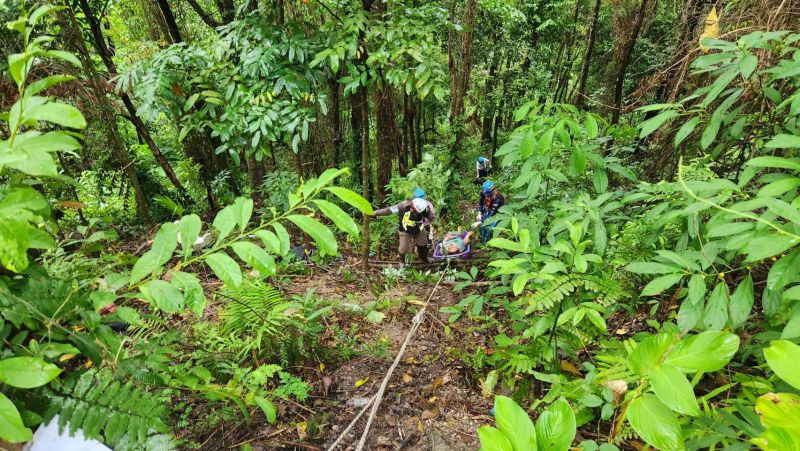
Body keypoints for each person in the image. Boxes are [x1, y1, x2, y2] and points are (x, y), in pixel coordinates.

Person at [371, 187, 436, 266]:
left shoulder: (426, 207)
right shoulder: (404, 205)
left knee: (423, 244)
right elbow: (389, 210)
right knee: (403, 248)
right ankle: (402, 261)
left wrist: (433, 226)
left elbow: (432, 218)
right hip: (405, 229)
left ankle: (424, 258)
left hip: (418, 228)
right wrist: (374, 213)